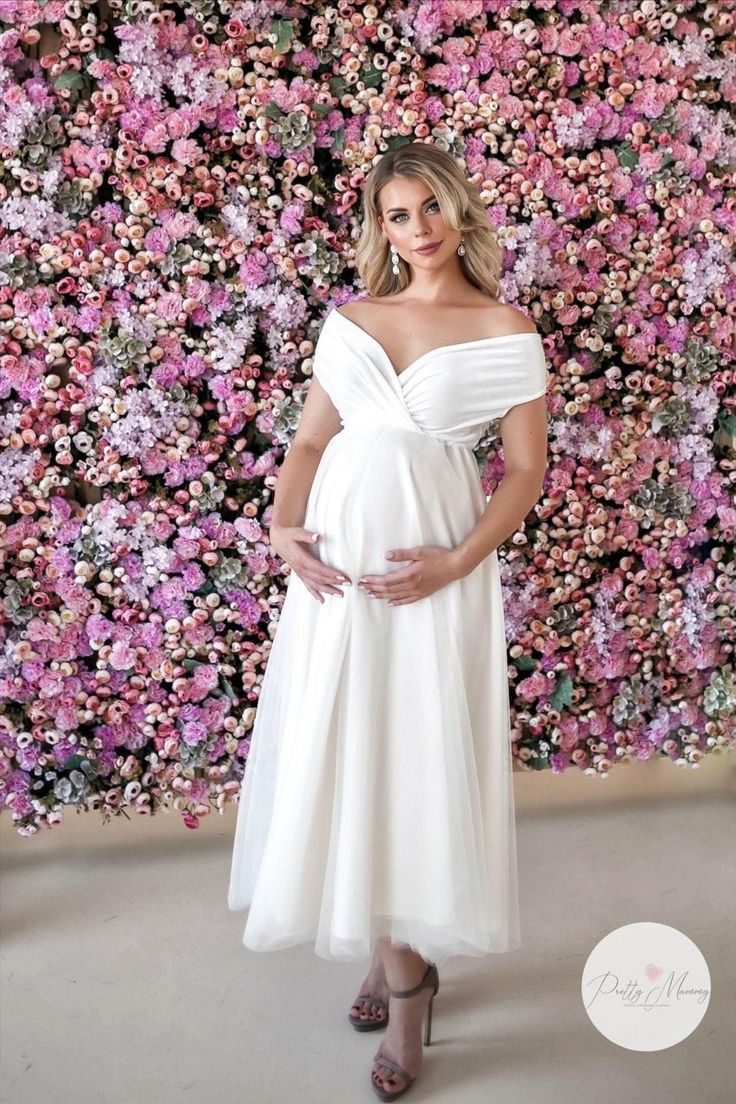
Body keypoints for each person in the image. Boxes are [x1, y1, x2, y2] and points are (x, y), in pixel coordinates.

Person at [228, 142, 549, 1100]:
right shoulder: (354, 322)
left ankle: (408, 987)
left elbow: (526, 470)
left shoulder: (504, 327)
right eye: (399, 216)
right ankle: (391, 951)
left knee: (410, 755)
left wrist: (457, 560)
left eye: (432, 208)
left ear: (459, 211)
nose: (420, 229)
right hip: (339, 573)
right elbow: (314, 440)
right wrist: (285, 525)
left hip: (433, 573)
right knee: (352, 749)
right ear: (383, 229)